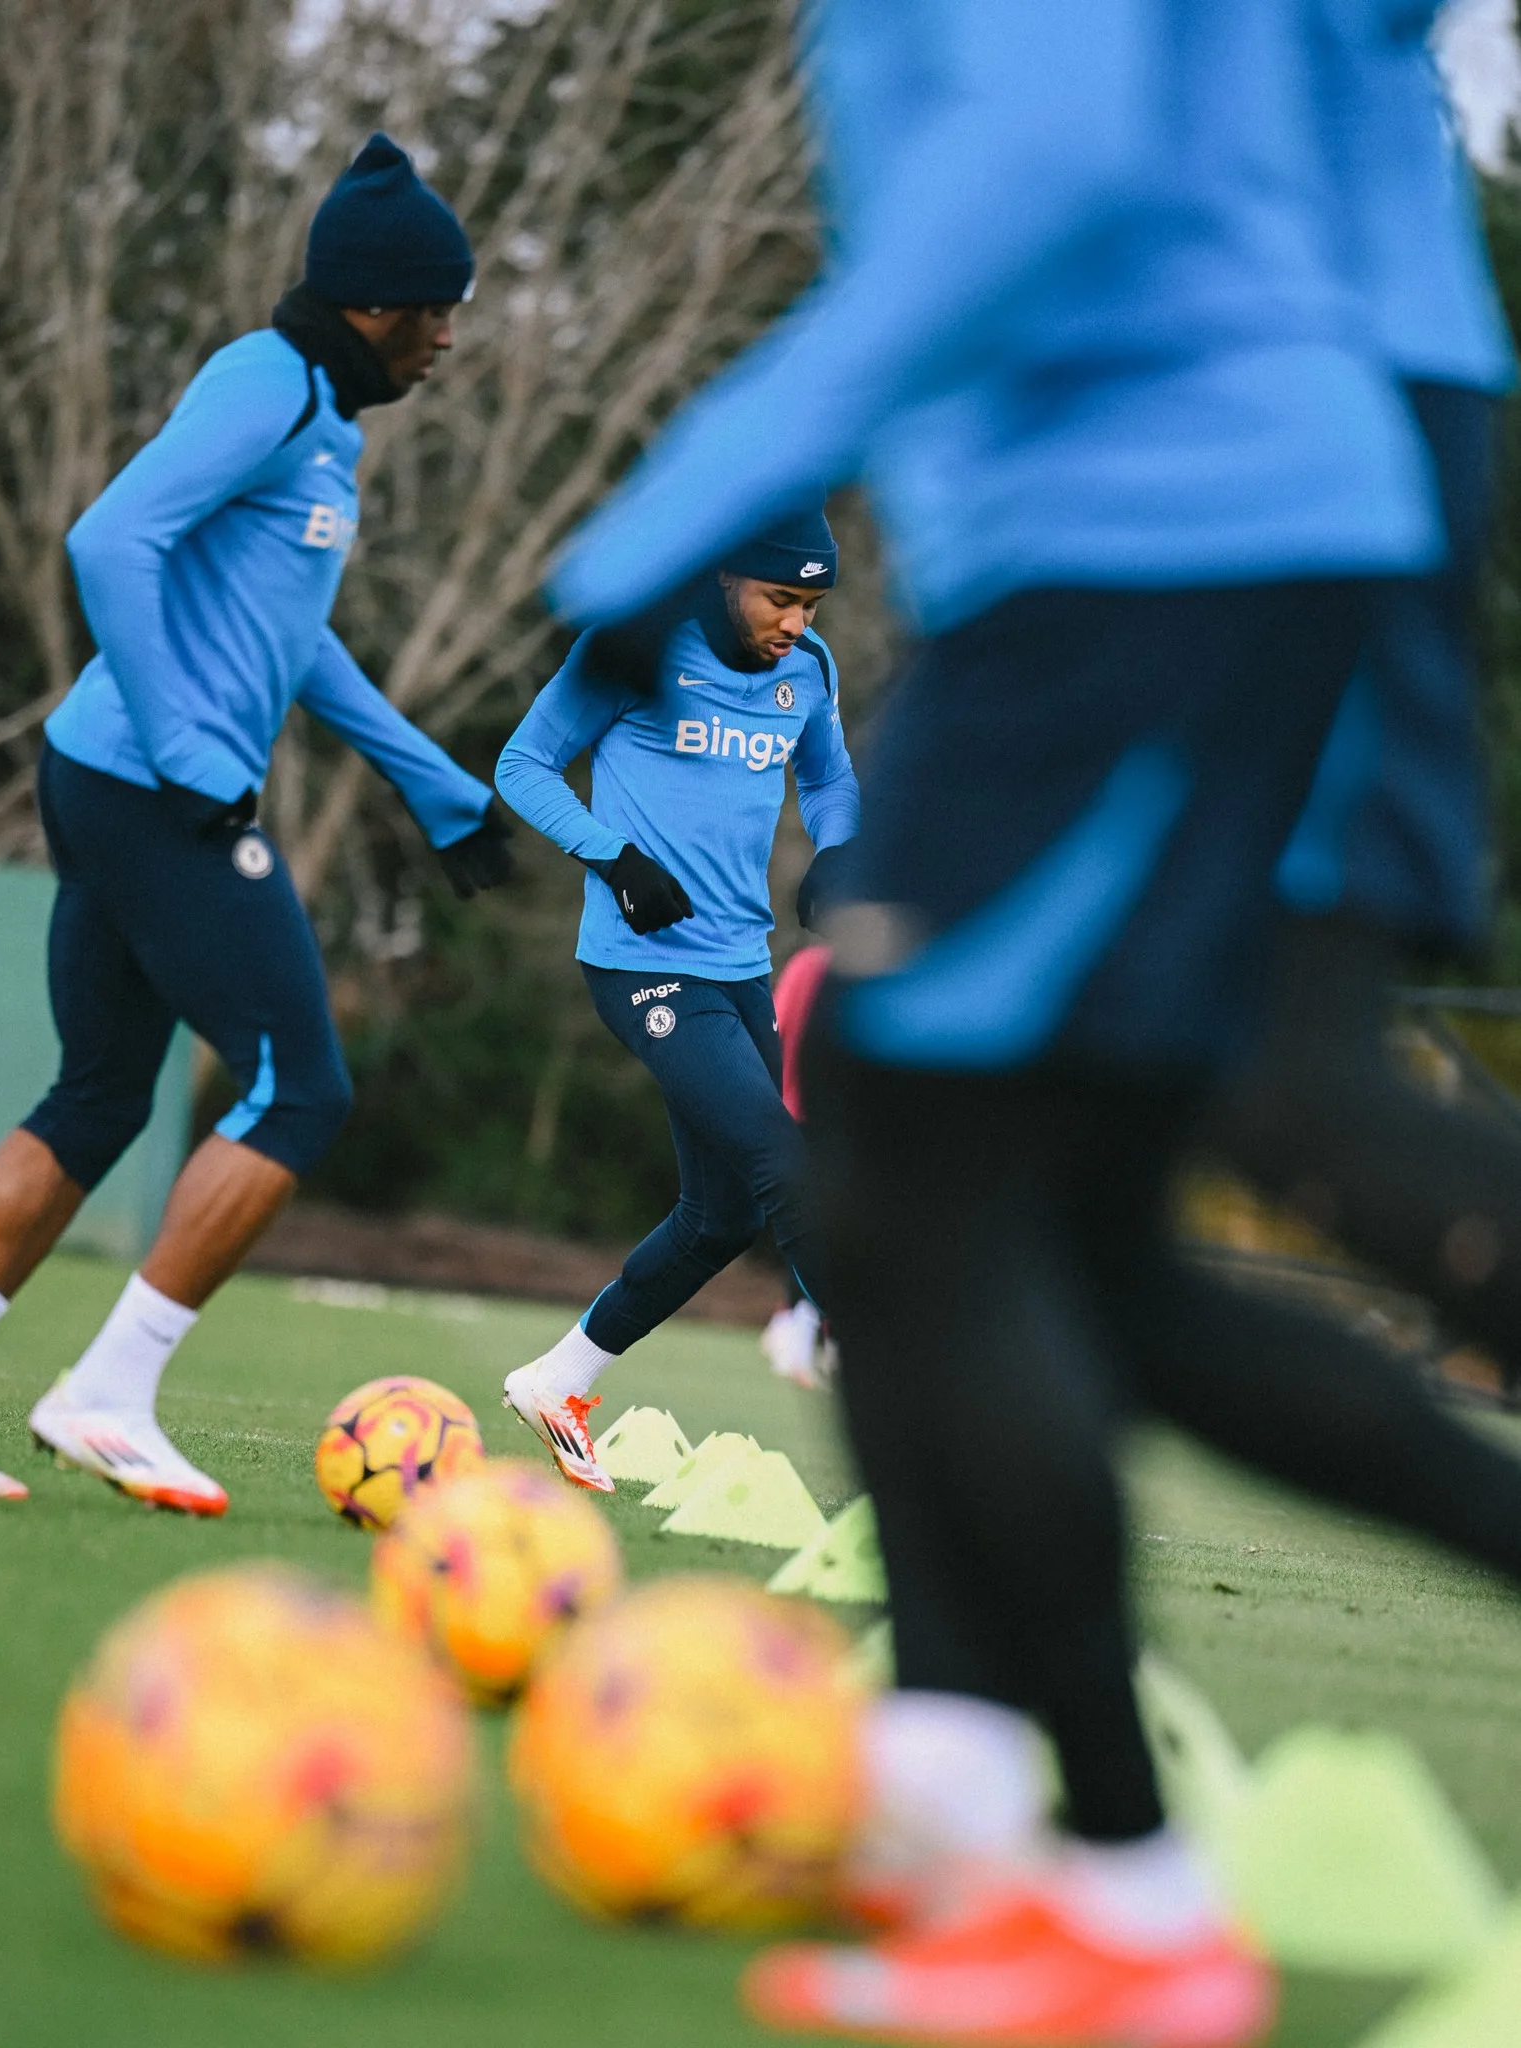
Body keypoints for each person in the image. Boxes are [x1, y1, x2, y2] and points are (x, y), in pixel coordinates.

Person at [540, 4, 1505, 2041]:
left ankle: (1078, 1865)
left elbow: (1047, 162)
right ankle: (1015, 1838)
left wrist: (683, 504)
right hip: (1150, 525)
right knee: (1067, 1244)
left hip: (1168, 527)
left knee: (930, 1164)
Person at [0, 134, 513, 1515]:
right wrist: (184, 753)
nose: (450, 338)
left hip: (120, 781)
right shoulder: (267, 384)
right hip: (146, 788)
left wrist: (436, 784)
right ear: (371, 305)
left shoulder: (324, 426)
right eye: (437, 308)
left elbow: (300, 645)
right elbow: (110, 538)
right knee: (303, 1085)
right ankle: (105, 1396)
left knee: (101, 1093)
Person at [493, 509, 858, 1490]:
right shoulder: (642, 647)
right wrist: (611, 858)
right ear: (727, 574)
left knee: (724, 1208)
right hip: (641, 964)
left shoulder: (808, 667)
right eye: (782, 597)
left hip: (742, 964)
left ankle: (558, 1378)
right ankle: (904, 1395)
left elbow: (828, 781)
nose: (795, 619)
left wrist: (838, 851)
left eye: (811, 603)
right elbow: (522, 763)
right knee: (787, 1160)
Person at [759, 942, 834, 1389]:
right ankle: (797, 1330)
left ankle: (794, 1327)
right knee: (816, 1227)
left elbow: (774, 1025)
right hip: (815, 1116)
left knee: (810, 1225)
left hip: (796, 1113)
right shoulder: (829, 966)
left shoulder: (807, 962)